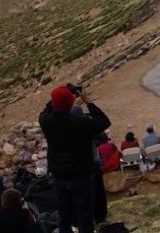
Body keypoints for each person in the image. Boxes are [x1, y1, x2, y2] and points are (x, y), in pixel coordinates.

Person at [39, 85, 110, 233]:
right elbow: (104, 121)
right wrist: (88, 101)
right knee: (85, 217)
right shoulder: (81, 122)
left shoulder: (46, 122)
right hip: (81, 178)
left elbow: (46, 110)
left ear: (54, 103)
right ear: (71, 102)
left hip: (58, 178)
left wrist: (60, 95)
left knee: (64, 218)